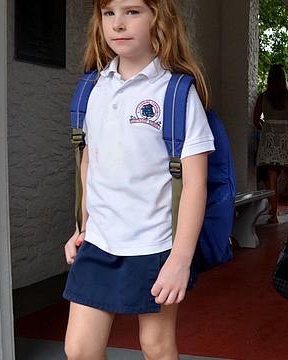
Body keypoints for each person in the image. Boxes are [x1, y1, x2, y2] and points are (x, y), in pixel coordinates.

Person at [62, 0, 215, 358]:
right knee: (79, 350)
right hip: (99, 243)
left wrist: (180, 259)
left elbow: (194, 183)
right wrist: (82, 225)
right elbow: (89, 163)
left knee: (156, 345)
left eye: (132, 12)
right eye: (108, 13)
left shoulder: (176, 94)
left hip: (154, 245)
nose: (118, 24)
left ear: (159, 19)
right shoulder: (92, 88)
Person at [253, 65, 288, 223]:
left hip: (269, 139)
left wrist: (267, 128)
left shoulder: (263, 97)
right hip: (286, 138)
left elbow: (255, 120)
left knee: (272, 178)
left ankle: (274, 214)